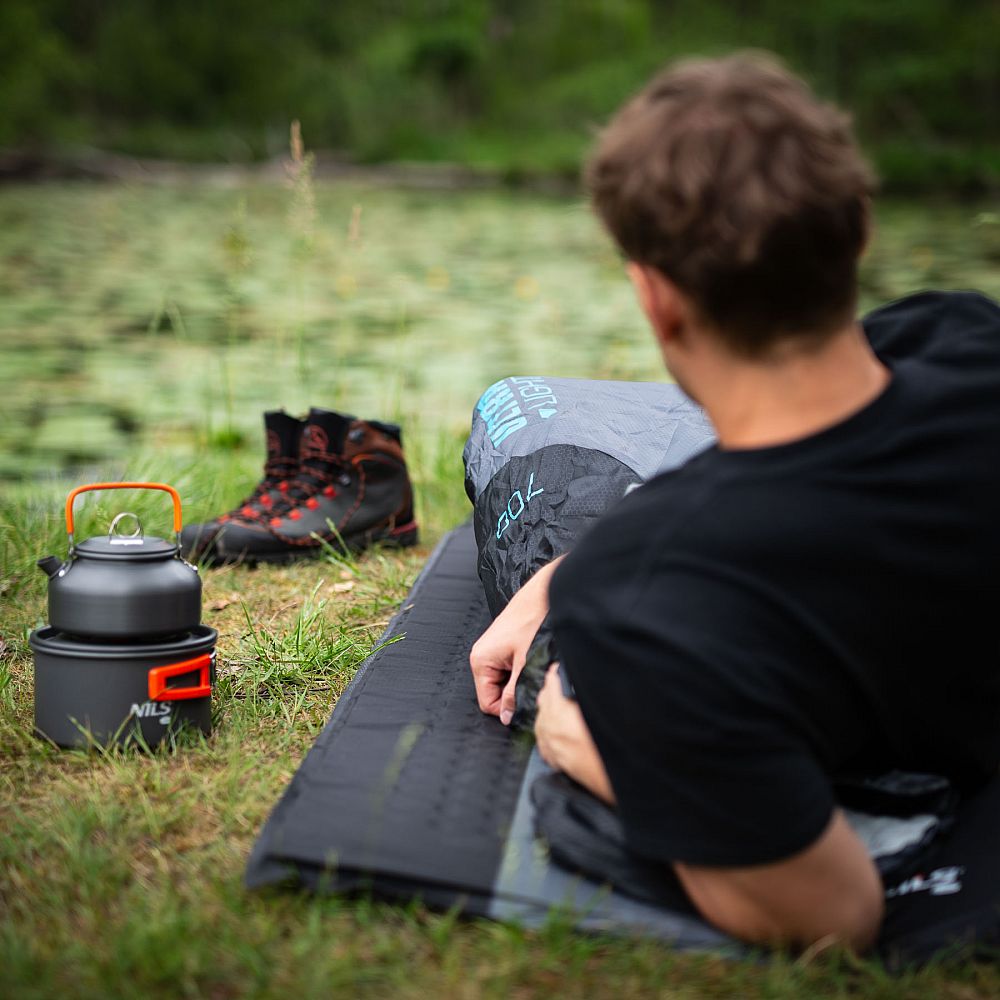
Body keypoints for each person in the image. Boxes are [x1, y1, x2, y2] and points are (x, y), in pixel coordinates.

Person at [469, 53, 1000, 952]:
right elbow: (821, 441)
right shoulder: (965, 336)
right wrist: (564, 574)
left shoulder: (649, 602)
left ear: (656, 299)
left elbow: (831, 913)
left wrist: (588, 742)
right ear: (859, 233)